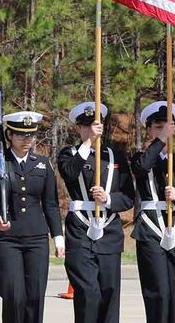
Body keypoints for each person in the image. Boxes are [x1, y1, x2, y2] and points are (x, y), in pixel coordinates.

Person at [0, 110, 64, 323]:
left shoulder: (42, 164)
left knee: (35, 295)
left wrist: (58, 236)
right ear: (9, 135)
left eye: (31, 135)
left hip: (36, 237)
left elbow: (51, 204)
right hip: (7, 239)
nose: (27, 140)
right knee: (14, 295)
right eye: (20, 135)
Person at [57, 102, 135, 323]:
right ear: (78, 128)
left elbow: (129, 196)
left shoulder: (115, 157)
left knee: (109, 292)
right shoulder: (69, 154)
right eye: (86, 126)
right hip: (80, 229)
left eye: (95, 125)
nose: (91, 129)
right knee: (88, 292)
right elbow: (70, 173)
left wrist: (108, 198)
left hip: (109, 229)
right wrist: (89, 141)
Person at [131, 101, 175, 323]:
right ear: (149, 130)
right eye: (158, 126)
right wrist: (160, 140)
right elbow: (142, 168)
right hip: (151, 230)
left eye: (168, 126)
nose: (164, 131)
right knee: (157, 291)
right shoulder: (141, 158)